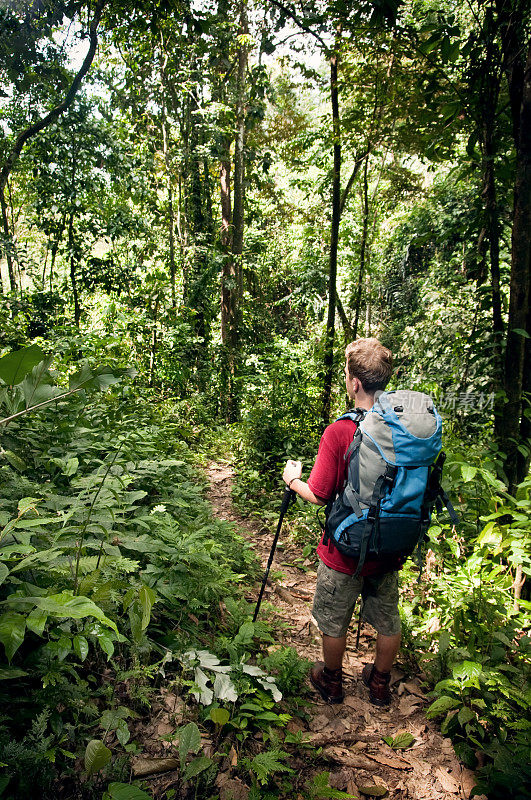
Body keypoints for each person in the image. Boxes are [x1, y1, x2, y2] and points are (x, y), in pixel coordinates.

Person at [282, 337, 403, 706]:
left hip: (345, 548)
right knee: (387, 618)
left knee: (334, 617)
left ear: (354, 383)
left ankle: (332, 682)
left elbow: (319, 493)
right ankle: (379, 684)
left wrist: (292, 480)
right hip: (390, 543)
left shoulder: (340, 431)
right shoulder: (404, 428)